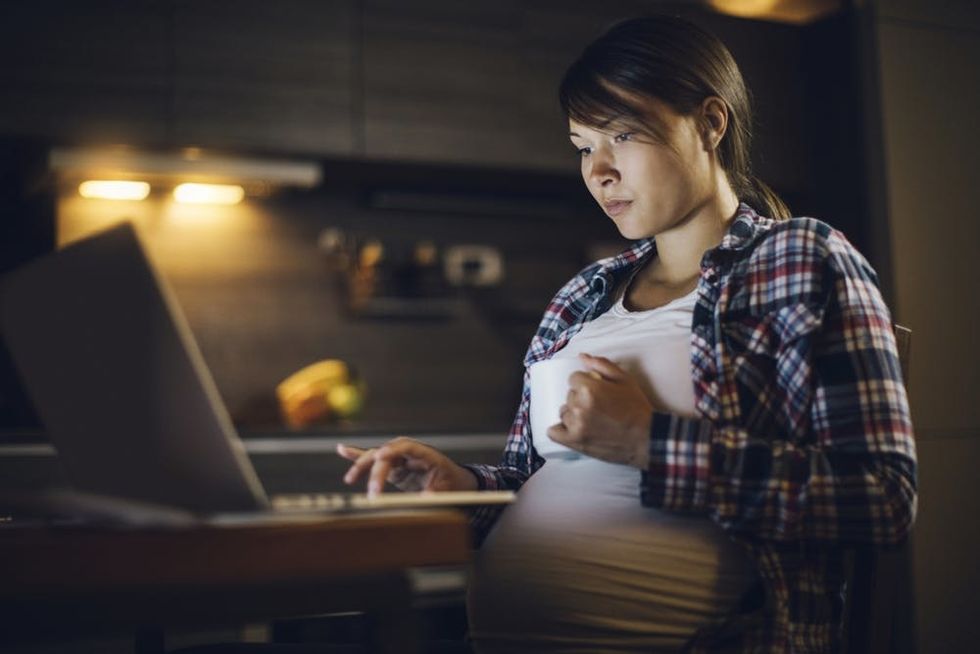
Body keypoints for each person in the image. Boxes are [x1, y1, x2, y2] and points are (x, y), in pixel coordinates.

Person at [338, 14, 916, 654]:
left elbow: (880, 498)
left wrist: (649, 441)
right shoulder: (581, 295)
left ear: (710, 123)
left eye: (623, 134)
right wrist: (465, 488)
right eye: (584, 145)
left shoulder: (802, 258)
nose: (599, 170)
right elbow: (533, 483)